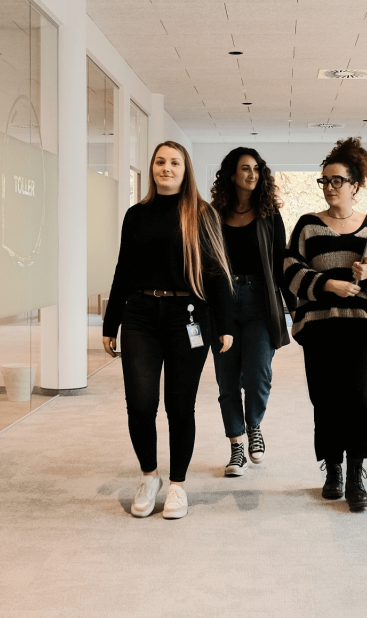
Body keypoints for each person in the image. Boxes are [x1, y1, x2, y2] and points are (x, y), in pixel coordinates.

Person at [102, 141, 234, 520]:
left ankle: (177, 484)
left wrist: (225, 324)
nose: (166, 168)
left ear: (185, 169)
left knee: (179, 406)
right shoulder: (136, 215)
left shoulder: (202, 214)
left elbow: (216, 272)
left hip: (188, 315)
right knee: (141, 405)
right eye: (160, 161)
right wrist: (111, 323)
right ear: (152, 168)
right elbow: (123, 271)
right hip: (140, 314)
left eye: (174, 162)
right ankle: (149, 476)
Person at [283, 137, 367, 512]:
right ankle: (332, 466)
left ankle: (354, 472)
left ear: (356, 185)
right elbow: (288, 270)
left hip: (362, 323)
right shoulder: (307, 225)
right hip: (318, 322)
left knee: (353, 391)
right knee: (324, 395)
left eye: (337, 181)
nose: (330, 188)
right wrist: (326, 284)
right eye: (325, 181)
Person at [209, 148, 295, 477]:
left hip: (260, 301)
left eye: (256, 169)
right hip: (224, 301)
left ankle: (254, 424)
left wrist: (295, 308)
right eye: (245, 169)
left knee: (258, 373)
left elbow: (280, 264)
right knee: (227, 380)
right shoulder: (215, 214)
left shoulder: (269, 213)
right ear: (232, 174)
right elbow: (207, 263)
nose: (252, 174)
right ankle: (236, 448)